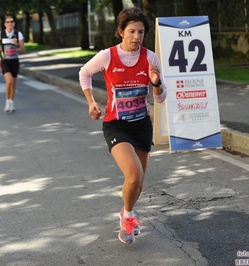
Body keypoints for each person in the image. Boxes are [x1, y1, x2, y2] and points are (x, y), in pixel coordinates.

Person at [79, 7, 167, 244]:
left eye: (141, 32)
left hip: (141, 125)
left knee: (138, 183)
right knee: (133, 175)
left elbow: (160, 98)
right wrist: (91, 102)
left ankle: (126, 211)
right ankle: (127, 217)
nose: (136, 37)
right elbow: (84, 72)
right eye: (131, 31)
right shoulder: (108, 56)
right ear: (121, 32)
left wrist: (156, 82)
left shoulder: (151, 58)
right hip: (116, 124)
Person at [0, 16, 25, 112]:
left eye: (11, 21)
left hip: (14, 61)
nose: (10, 23)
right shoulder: (0, 33)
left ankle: (12, 102)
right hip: (5, 61)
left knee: (13, 84)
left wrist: (17, 44)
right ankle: (7, 102)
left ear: (14, 23)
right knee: (9, 81)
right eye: (8, 22)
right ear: (5, 24)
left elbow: (23, 49)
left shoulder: (18, 34)